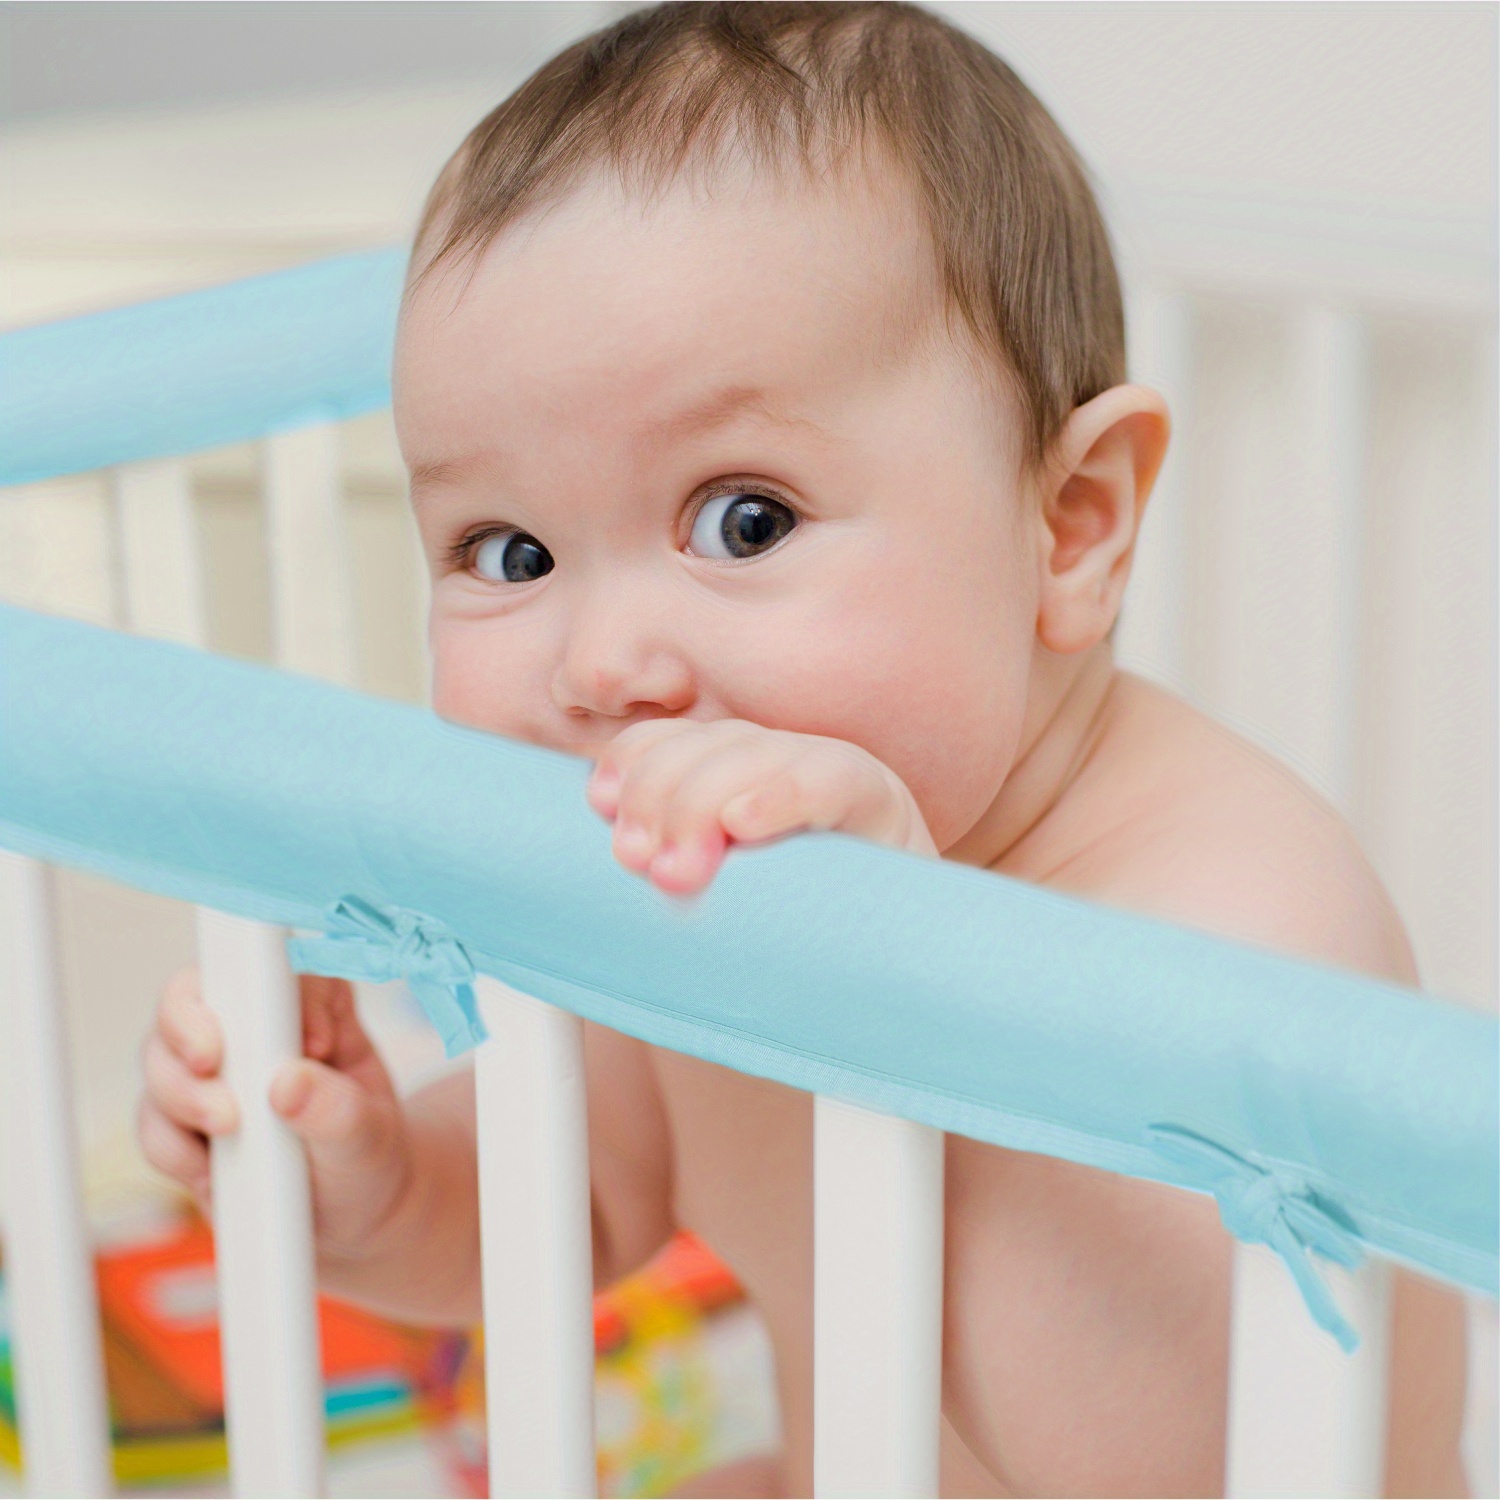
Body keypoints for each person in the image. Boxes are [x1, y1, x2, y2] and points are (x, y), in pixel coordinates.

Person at [135, 4, 1470, 1493]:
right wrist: (368, 1179)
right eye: (508, 552)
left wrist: (906, 984)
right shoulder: (708, 865)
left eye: (743, 521)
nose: (601, 663)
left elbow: (1181, 1463)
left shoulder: (1239, 923)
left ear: (1071, 522)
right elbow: (586, 1188)